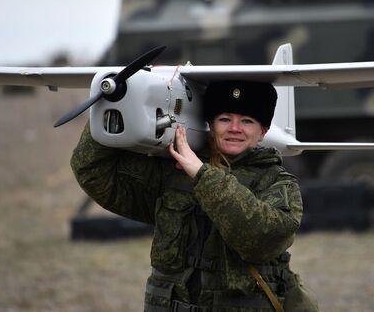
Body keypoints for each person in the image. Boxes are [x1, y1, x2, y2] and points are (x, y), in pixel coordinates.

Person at [71, 80, 319, 311]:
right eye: (224, 119)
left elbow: (262, 239)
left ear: (263, 131)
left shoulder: (278, 182)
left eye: (246, 121)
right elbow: (94, 173)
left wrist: (202, 174)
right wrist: (113, 104)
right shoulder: (171, 173)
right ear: (211, 125)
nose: (234, 129)